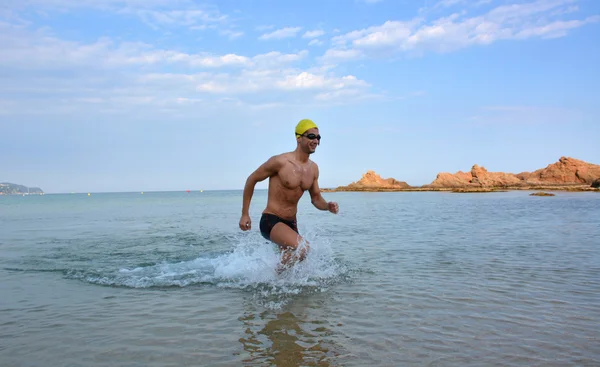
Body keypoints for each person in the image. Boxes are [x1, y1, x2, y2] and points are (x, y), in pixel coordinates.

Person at [239, 119, 339, 272]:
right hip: (271, 220)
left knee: (293, 267)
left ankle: (269, 284)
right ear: (299, 138)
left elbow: (316, 198)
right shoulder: (280, 162)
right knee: (303, 248)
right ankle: (271, 277)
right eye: (311, 136)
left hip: (291, 224)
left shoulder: (313, 169)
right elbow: (252, 179)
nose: (316, 141)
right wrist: (245, 214)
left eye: (318, 138)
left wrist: (327, 206)